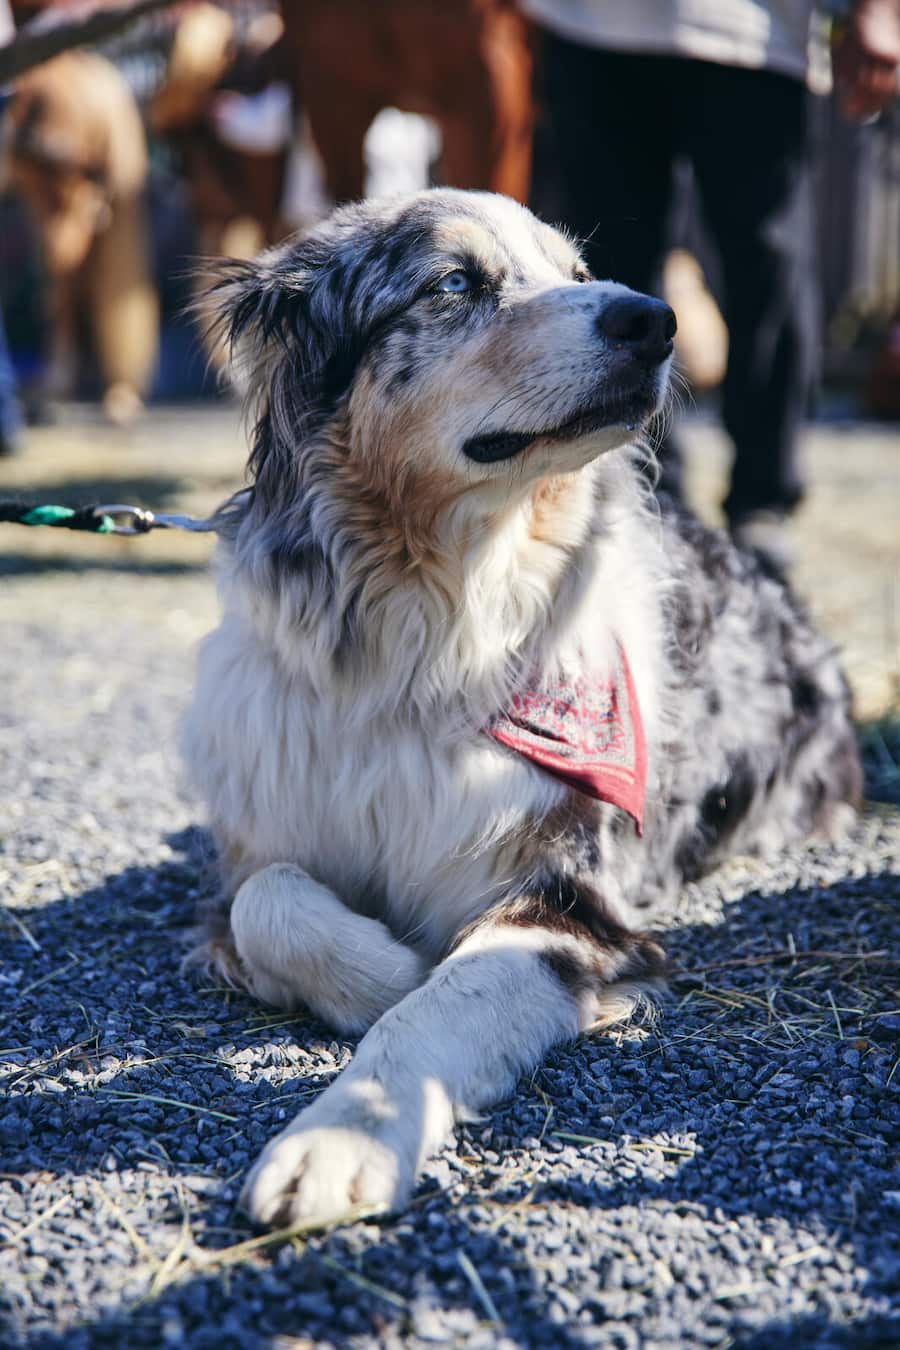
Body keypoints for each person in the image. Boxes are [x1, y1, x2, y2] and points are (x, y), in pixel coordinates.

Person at [526, 0, 900, 565]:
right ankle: (650, 497)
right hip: (590, 25)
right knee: (608, 271)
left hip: (750, 29)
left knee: (768, 265)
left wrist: (878, 10)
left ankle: (762, 499)